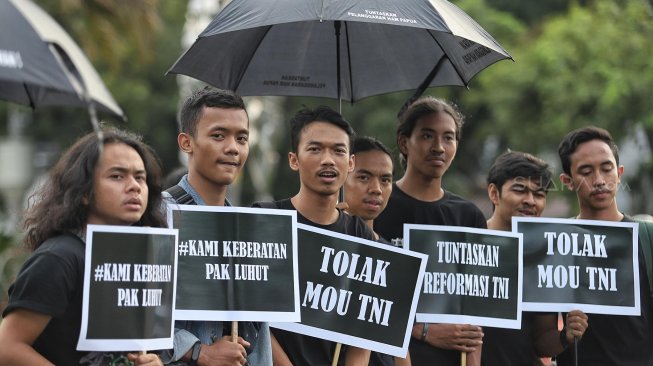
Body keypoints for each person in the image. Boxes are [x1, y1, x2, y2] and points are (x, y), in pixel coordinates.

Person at [0, 128, 166, 366]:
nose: (134, 186)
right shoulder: (58, 258)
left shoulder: (138, 260)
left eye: (140, 177)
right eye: (117, 176)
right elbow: (7, 348)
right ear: (84, 192)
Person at [253, 106, 374, 366]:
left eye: (338, 150)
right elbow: (254, 319)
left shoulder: (359, 232)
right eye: (315, 149)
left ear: (351, 163)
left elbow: (364, 332)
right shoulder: (266, 220)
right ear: (293, 159)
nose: (328, 160)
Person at [160, 87, 272, 365]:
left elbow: (259, 331)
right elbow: (130, 313)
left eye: (242, 138)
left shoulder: (247, 228)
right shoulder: (158, 216)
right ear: (187, 143)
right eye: (218, 135)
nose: (233, 147)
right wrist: (199, 351)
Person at [373, 96, 484, 366]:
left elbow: (476, 312)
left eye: (449, 137)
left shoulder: (469, 216)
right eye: (427, 135)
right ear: (403, 142)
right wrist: (424, 331)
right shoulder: (377, 208)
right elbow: (363, 300)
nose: (438, 147)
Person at [551, 126, 653, 365]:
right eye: (586, 172)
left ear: (619, 172)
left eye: (606, 169)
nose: (598, 181)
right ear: (567, 181)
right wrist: (564, 336)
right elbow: (539, 337)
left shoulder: (646, 238)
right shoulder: (555, 242)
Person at [481, 151, 588, 365]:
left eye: (539, 194)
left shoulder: (544, 256)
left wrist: (566, 335)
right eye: (520, 190)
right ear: (494, 193)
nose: (530, 201)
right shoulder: (464, 243)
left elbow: (542, 342)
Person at [343, 136, 410, 366]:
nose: (376, 189)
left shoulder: (394, 256)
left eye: (385, 180)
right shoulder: (319, 244)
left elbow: (400, 343)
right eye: (363, 177)